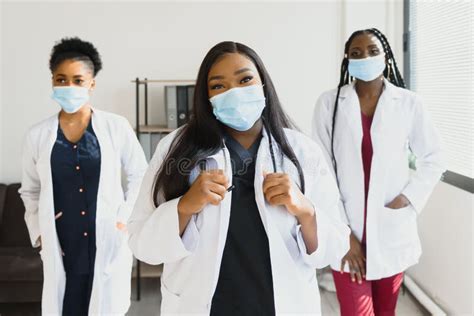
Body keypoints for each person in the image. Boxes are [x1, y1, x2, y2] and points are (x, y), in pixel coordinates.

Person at [128, 41, 350, 315]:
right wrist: (184, 206)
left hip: (280, 304)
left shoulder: (301, 152)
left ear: (263, 85)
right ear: (206, 97)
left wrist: (304, 210)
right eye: (219, 86)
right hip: (202, 305)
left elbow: (335, 245)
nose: (234, 93)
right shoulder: (176, 149)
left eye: (245, 80)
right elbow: (141, 243)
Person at [312, 28, 445, 315]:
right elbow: (321, 173)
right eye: (356, 53)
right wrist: (346, 235)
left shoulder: (409, 104)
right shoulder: (329, 104)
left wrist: (407, 199)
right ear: (347, 60)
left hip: (390, 228)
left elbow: (434, 157)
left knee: (386, 312)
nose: (365, 57)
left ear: (386, 57)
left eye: (373, 51)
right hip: (346, 231)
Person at [19, 37, 148, 315]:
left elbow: (141, 174)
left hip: (107, 237)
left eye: (78, 80)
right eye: (61, 79)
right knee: (66, 306)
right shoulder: (38, 136)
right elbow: (29, 190)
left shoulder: (116, 127)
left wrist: (124, 219)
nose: (69, 87)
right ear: (52, 81)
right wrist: (39, 233)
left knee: (105, 305)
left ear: (92, 83)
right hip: (62, 243)